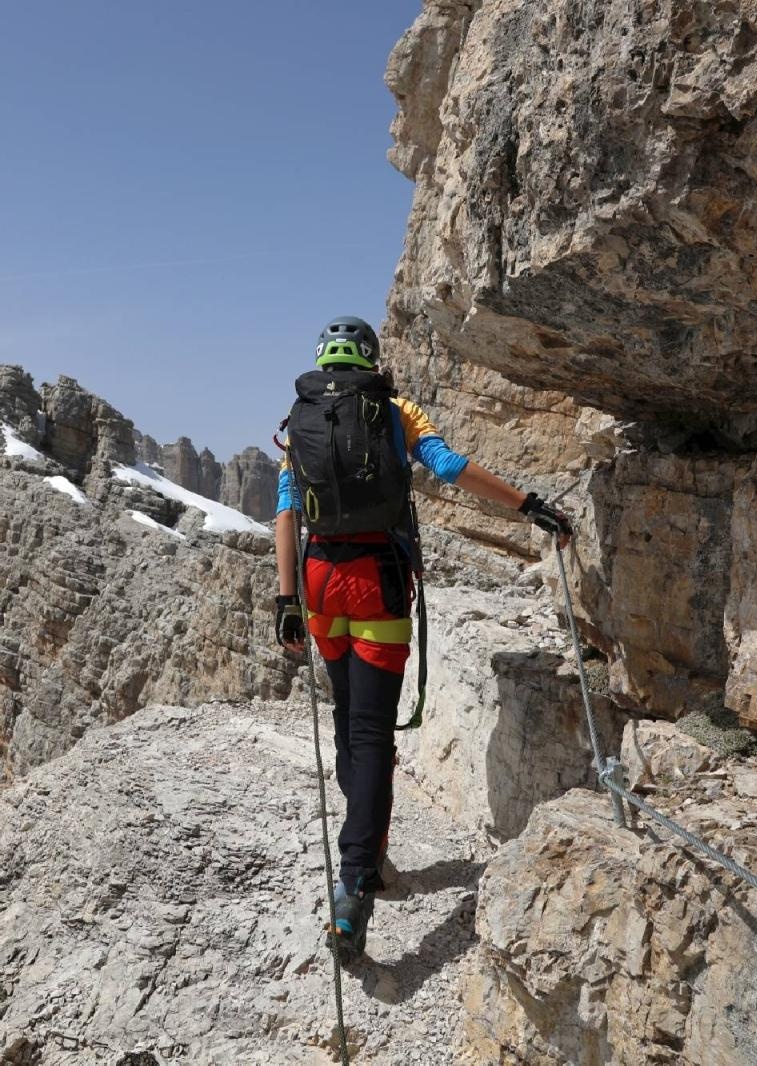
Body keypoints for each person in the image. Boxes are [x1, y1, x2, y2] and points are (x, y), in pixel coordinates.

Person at [273, 315, 572, 959]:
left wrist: (286, 600)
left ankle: (367, 852)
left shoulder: (299, 420)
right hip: (377, 583)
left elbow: (286, 511)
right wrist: (530, 506)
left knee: (349, 717)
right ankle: (356, 879)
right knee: (372, 730)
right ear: (372, 360)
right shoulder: (396, 411)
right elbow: (451, 467)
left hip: (321, 582)